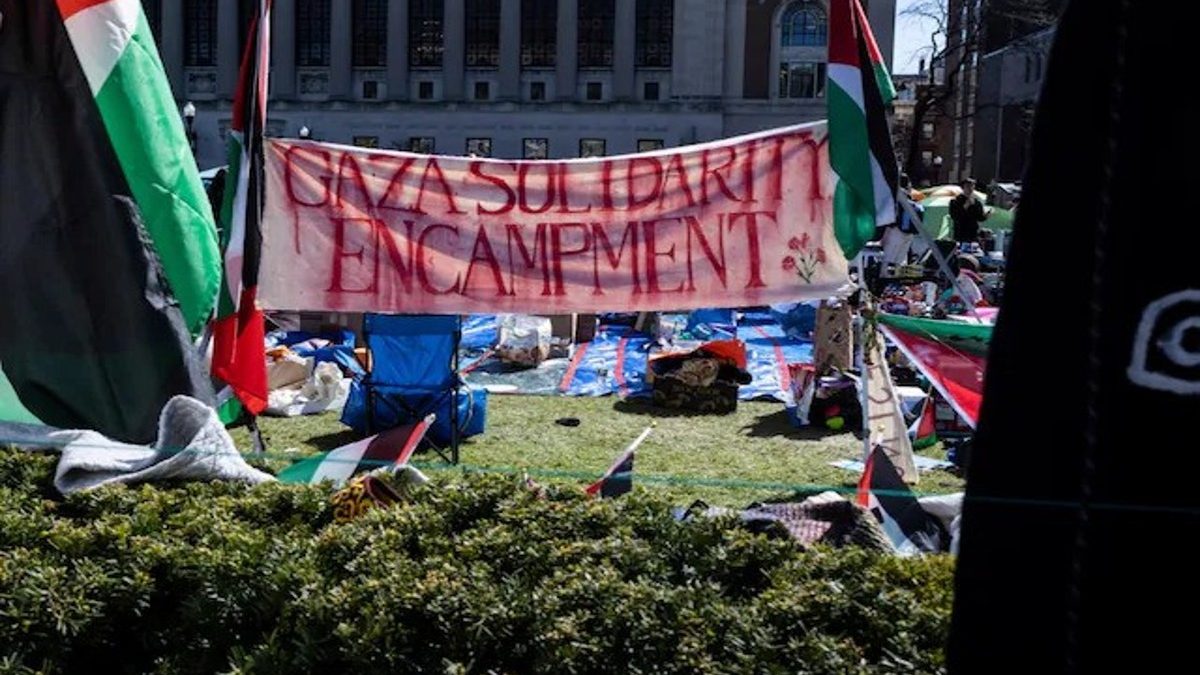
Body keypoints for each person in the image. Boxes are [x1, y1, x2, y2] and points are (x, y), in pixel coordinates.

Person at [949, 177, 988, 246]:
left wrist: (986, 215)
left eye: (972, 186)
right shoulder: (955, 201)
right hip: (960, 233)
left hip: (973, 233)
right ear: (963, 188)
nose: (970, 188)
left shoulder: (977, 202)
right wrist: (965, 206)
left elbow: (980, 218)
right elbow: (955, 216)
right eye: (968, 186)